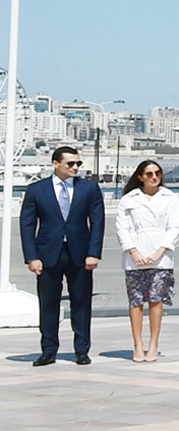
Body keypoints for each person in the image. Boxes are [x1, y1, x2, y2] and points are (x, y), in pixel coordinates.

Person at [21, 145, 104, 366]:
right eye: (70, 164)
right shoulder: (37, 190)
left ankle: (82, 350)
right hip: (48, 254)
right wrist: (32, 257)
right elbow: (27, 225)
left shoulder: (89, 189)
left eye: (78, 163)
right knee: (48, 303)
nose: (75, 167)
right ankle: (49, 350)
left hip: (80, 254)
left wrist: (93, 253)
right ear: (56, 164)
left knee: (81, 303)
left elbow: (97, 223)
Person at [117, 159, 179, 363]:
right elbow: (122, 228)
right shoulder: (129, 199)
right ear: (140, 177)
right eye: (150, 174)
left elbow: (174, 227)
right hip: (134, 256)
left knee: (156, 300)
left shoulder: (170, 197)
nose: (154, 177)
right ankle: (138, 344)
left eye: (158, 173)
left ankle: (154, 344)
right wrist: (133, 251)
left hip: (161, 257)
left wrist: (160, 251)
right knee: (135, 302)